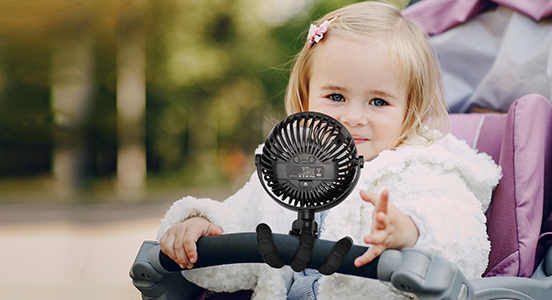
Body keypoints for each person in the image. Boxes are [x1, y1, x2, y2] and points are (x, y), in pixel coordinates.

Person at [157, 1, 501, 299]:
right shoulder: (287, 163)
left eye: (378, 101)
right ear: (306, 96)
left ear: (410, 110)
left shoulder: (425, 167)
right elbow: (241, 230)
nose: (353, 117)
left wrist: (413, 231)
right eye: (335, 96)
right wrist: (201, 227)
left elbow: (463, 239)